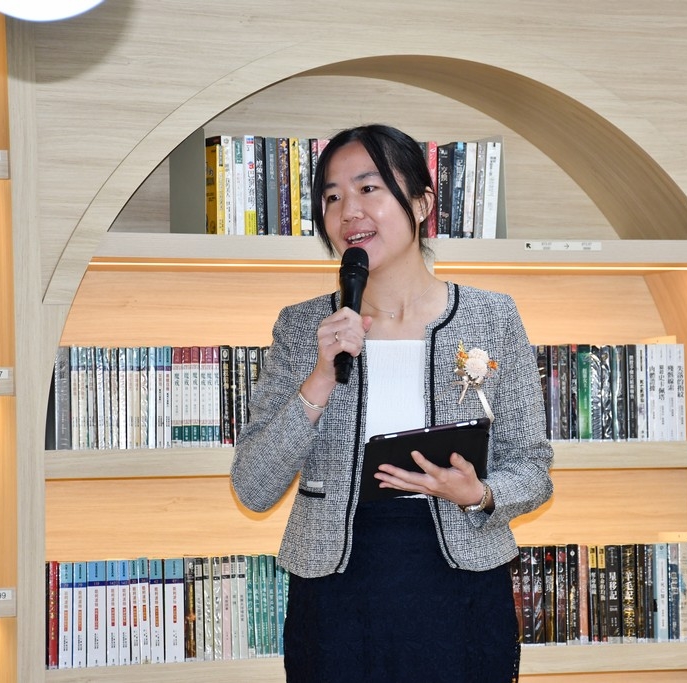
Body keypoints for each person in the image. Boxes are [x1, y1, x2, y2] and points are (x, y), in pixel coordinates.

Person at [230, 124, 553, 682]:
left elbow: (533, 468)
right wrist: (320, 379)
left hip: (460, 587)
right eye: (332, 197)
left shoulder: (492, 317)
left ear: (422, 203)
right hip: (335, 593)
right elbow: (253, 487)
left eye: (368, 188)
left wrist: (479, 494)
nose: (349, 212)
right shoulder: (303, 327)